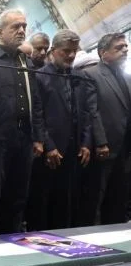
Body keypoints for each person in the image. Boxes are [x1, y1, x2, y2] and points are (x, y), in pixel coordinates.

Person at [0, 9, 44, 235]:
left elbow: (36, 102)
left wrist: (38, 137)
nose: (21, 30)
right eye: (15, 26)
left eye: (24, 26)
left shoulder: (25, 61)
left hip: (24, 139)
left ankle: (12, 240)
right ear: (0, 31)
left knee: (18, 196)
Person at [26, 29, 92, 231]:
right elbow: (37, 115)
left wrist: (86, 143)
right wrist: (49, 146)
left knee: (66, 203)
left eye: (74, 51)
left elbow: (86, 112)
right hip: (50, 152)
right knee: (43, 203)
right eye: (66, 51)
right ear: (53, 51)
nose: (71, 55)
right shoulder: (39, 77)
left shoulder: (79, 77)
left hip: (74, 151)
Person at [82, 33, 130, 225]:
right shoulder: (91, 74)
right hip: (105, 146)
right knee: (96, 197)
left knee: (120, 196)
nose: (125, 50)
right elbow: (91, 111)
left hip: (125, 147)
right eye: (119, 48)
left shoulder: (126, 77)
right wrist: (101, 142)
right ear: (103, 53)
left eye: (126, 47)